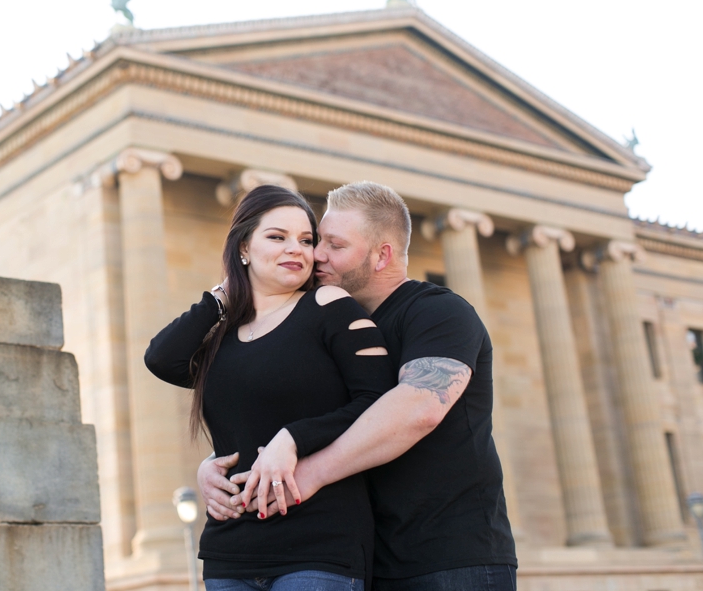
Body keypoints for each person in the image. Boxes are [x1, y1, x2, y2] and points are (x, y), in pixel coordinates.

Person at [199, 182, 518, 590]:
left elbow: (419, 409)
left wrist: (308, 474)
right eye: (319, 242)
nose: (316, 255)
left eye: (334, 245)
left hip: (451, 559)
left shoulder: (438, 312)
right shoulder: (328, 325)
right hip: (367, 561)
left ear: (382, 254)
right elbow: (302, 412)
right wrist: (217, 463)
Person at [144, 185, 397, 591]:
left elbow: (380, 402)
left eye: (306, 240)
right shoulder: (221, 339)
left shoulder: (328, 305)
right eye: (277, 237)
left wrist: (295, 438)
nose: (296, 249)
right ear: (243, 247)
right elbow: (161, 359)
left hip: (318, 545)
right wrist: (223, 296)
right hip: (230, 551)